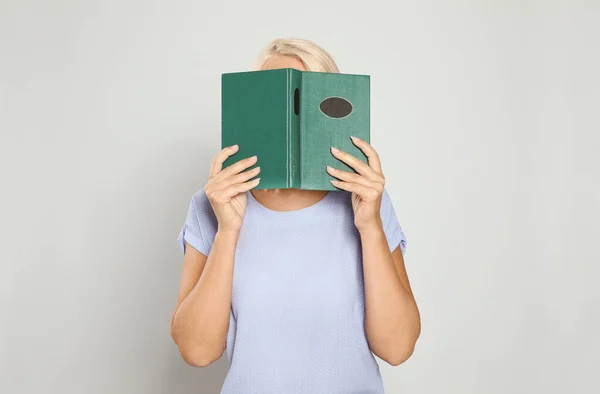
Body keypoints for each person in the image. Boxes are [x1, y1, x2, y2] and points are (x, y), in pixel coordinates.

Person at [171, 38, 421, 394]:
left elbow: (397, 348)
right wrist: (228, 231)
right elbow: (197, 351)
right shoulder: (209, 204)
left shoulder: (366, 203)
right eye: (273, 101)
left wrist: (370, 226)